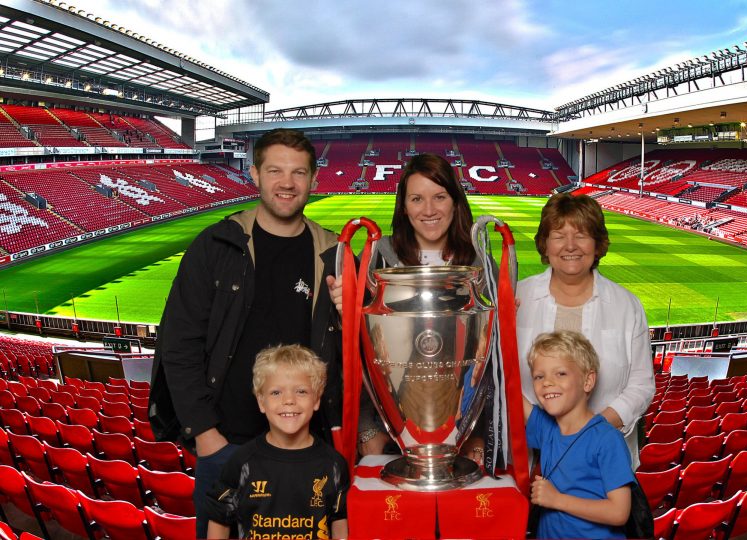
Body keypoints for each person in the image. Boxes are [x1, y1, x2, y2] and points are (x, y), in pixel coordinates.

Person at [148, 128, 343, 538]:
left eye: (298, 172)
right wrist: (206, 434)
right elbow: (178, 344)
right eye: (275, 170)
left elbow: (352, 353)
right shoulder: (216, 245)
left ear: (313, 179)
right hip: (226, 444)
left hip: (308, 449)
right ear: (253, 175)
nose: (286, 183)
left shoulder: (334, 254)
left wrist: (349, 312)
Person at [326, 153, 483, 456]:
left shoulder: (478, 263)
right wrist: (365, 428)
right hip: (389, 427)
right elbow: (358, 351)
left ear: (455, 201)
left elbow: (489, 362)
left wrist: (477, 432)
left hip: (461, 428)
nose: (429, 210)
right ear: (404, 206)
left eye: (439, 196)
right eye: (416, 199)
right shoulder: (378, 257)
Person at [516, 193, 654, 468]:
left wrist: (589, 432)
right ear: (545, 243)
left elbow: (641, 385)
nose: (570, 246)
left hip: (602, 462)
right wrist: (544, 431)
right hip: (527, 460)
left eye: (581, 235)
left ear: (597, 243)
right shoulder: (518, 297)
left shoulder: (627, 304)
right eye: (558, 235)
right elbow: (499, 376)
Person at [207, 344, 349, 539]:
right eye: (276, 392)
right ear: (261, 401)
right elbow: (219, 521)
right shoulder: (241, 463)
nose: (288, 400)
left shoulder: (333, 464)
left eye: (301, 391)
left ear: (316, 400)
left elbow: (340, 523)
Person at [523, 331, 633, 539]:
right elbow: (507, 387)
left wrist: (556, 500)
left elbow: (619, 512)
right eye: (539, 376)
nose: (547, 382)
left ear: (588, 381)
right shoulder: (547, 428)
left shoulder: (607, 439)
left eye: (560, 373)